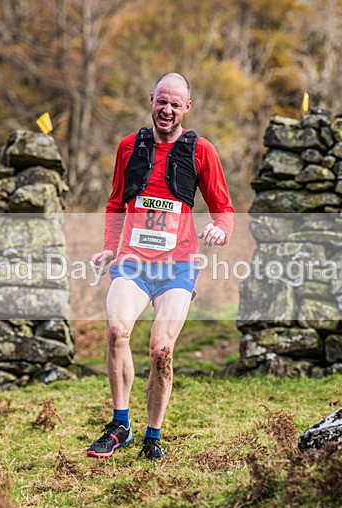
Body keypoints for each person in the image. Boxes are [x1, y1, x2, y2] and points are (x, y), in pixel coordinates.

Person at [87, 73, 234, 461]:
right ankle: (121, 425)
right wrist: (108, 248)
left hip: (177, 269)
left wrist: (220, 229)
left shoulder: (201, 150)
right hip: (132, 263)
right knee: (117, 330)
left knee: (160, 349)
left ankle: (153, 435)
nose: (166, 109)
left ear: (186, 107)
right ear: (151, 99)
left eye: (175, 104)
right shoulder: (127, 147)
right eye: (161, 101)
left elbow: (224, 208)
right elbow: (116, 203)